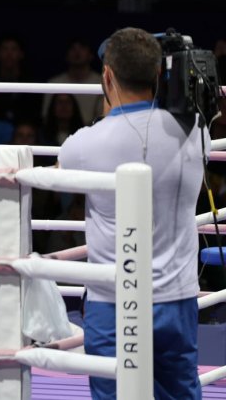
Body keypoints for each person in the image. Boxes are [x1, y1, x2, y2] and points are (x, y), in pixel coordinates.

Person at [58, 27, 207, 400]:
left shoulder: (84, 146)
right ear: (158, 73)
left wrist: (111, 107)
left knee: (115, 395)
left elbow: (70, 174)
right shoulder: (196, 131)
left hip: (114, 301)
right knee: (179, 393)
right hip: (177, 297)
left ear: (107, 76)